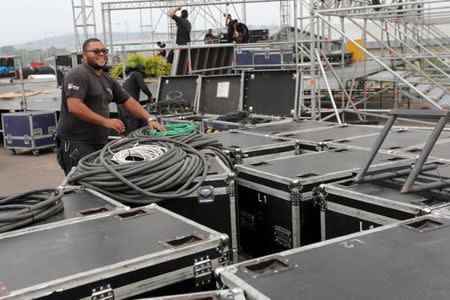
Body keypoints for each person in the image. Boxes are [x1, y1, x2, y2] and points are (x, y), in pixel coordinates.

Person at [56, 38, 165, 175]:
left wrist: (149, 119)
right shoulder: (77, 75)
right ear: (84, 55)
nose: (101, 54)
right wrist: (106, 122)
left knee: (99, 185)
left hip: (97, 143)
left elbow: (128, 100)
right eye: (96, 51)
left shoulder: (106, 79)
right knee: (81, 189)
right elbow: (75, 107)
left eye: (104, 51)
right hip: (76, 143)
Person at [117, 64, 154, 136]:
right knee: (133, 131)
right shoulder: (137, 74)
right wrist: (150, 96)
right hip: (129, 105)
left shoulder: (129, 76)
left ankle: (124, 144)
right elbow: (144, 87)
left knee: (124, 130)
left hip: (120, 106)